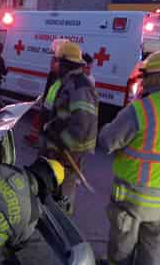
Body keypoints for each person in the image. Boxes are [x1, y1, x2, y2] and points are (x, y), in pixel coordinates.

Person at [98, 50, 160, 265]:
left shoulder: (141, 109)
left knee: (120, 258)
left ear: (152, 77)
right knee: (152, 260)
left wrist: (130, 104)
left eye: (143, 77)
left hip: (135, 203)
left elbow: (107, 141)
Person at [41, 41, 99, 215]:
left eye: (56, 60)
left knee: (64, 193)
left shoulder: (80, 87)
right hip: (58, 149)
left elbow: (82, 125)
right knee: (53, 188)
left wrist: (62, 146)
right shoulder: (67, 82)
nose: (54, 63)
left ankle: (62, 224)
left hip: (68, 153)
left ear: (64, 63)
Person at [24, 53, 60, 147]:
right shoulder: (52, 74)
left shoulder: (61, 77)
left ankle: (40, 142)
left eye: (53, 62)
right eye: (51, 62)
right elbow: (48, 88)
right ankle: (33, 138)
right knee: (38, 121)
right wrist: (43, 98)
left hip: (53, 108)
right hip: (46, 104)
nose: (51, 64)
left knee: (47, 127)